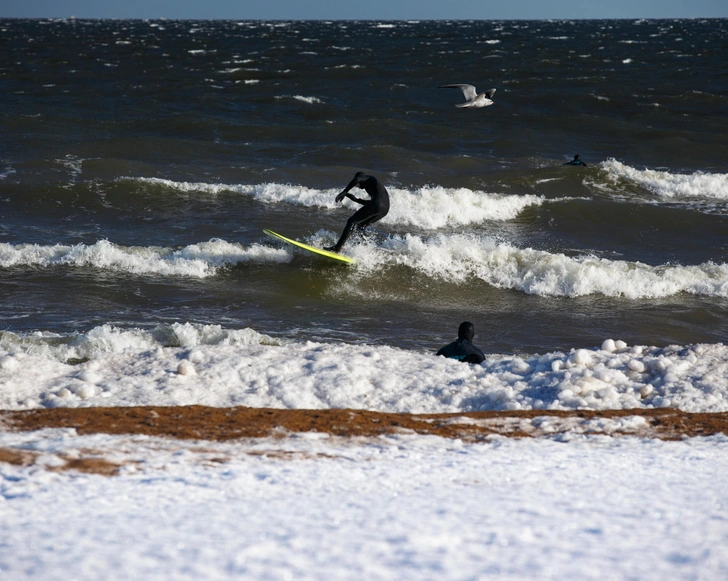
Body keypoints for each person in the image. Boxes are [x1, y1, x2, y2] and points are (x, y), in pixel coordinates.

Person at [324, 171, 390, 253]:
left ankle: (337, 247)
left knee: (351, 221)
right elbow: (374, 204)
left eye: (357, 184)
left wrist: (344, 191)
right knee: (360, 226)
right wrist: (355, 199)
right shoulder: (373, 186)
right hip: (384, 210)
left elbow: (357, 179)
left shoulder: (368, 178)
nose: (357, 186)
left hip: (377, 205)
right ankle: (363, 249)